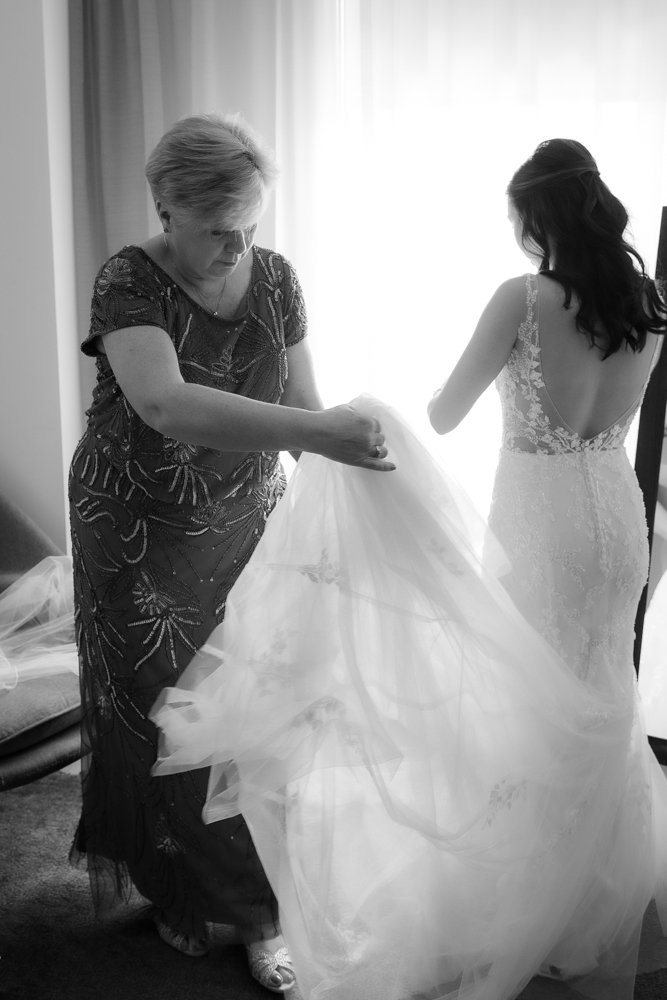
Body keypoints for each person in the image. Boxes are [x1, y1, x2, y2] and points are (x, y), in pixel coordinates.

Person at [150, 139, 667, 1000]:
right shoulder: (648, 301)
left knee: (527, 709)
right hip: (617, 520)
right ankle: (590, 909)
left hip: (539, 520)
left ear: (534, 216)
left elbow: (445, 410)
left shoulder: (524, 297)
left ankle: (520, 903)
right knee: (598, 698)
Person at [68, 111, 393, 995]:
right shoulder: (128, 281)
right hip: (132, 519)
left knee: (252, 709)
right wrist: (316, 433)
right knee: (158, 708)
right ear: (166, 208)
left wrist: (360, 499)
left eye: (251, 223)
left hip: (243, 515)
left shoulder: (278, 278)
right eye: (218, 229)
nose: (236, 245)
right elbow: (165, 405)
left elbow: (304, 405)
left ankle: (255, 910)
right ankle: (184, 887)